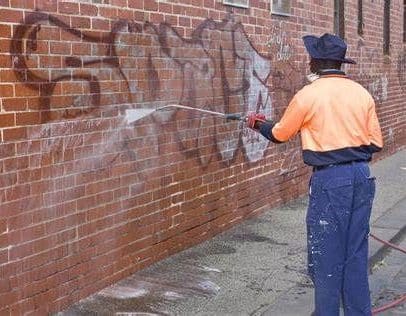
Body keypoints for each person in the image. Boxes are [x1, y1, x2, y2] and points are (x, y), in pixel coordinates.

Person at [247, 33, 383, 316]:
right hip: (362, 177)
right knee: (355, 254)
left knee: (327, 259)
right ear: (339, 63)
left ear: (315, 62)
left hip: (330, 181)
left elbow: (280, 133)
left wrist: (258, 124)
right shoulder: (361, 93)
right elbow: (375, 143)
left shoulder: (309, 94)